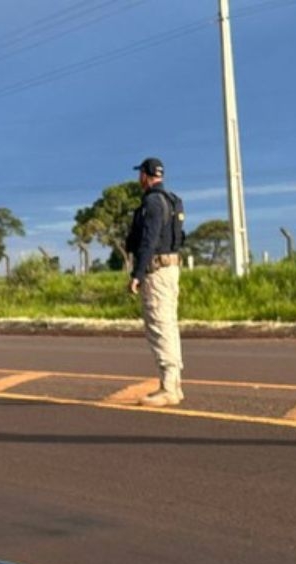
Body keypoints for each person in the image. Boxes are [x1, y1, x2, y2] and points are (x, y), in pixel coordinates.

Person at [125, 156, 185, 408]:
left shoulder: (152, 201)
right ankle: (174, 384)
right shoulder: (173, 201)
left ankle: (168, 388)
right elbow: (180, 237)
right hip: (171, 268)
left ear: (146, 175)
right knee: (169, 325)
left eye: (140, 174)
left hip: (157, 271)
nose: (139, 178)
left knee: (159, 326)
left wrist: (137, 274)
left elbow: (148, 240)